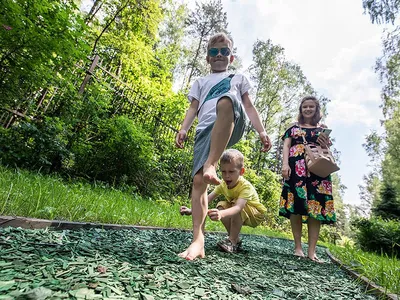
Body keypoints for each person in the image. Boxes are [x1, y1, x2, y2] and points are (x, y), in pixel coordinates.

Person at [175, 32, 271, 260]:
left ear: (231, 56)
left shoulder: (238, 78)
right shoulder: (201, 82)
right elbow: (192, 108)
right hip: (205, 131)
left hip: (232, 122)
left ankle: (212, 163)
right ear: (207, 58)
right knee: (198, 182)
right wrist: (183, 128)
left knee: (227, 100)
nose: (219, 55)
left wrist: (262, 130)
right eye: (214, 52)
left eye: (224, 52)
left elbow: (248, 107)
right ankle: (198, 240)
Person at [279, 95, 336, 262]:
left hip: (318, 172)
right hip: (296, 169)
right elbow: (286, 146)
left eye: (311, 106)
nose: (308, 109)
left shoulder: (322, 128)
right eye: (305, 107)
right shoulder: (293, 128)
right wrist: (285, 165)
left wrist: (324, 141)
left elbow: (325, 150)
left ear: (316, 109)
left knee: (315, 208)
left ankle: (312, 251)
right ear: (301, 109)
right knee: (296, 206)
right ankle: (298, 247)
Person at [180, 149, 267, 253]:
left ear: (241, 172)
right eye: (223, 172)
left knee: (233, 206)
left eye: (231, 172)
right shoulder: (223, 184)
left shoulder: (245, 187)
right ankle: (235, 240)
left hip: (255, 214)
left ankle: (232, 241)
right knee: (221, 205)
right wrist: (191, 210)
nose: (227, 176)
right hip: (238, 210)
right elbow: (207, 199)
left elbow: (238, 207)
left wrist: (221, 214)